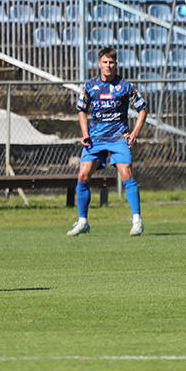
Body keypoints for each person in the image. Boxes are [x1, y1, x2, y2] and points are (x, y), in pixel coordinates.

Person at [69, 47, 148, 237]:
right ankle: (82, 222)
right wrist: (85, 132)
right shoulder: (90, 86)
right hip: (96, 138)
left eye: (111, 62)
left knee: (125, 173)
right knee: (82, 175)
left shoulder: (125, 86)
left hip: (118, 137)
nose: (108, 66)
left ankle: (137, 221)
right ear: (99, 64)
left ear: (116, 64)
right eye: (105, 62)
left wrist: (134, 133)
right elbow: (81, 109)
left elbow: (142, 108)